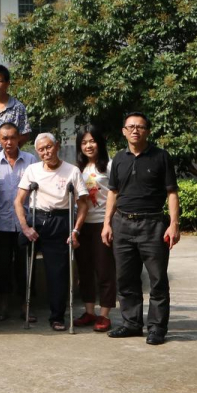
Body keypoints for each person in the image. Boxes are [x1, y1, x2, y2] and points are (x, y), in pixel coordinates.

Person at [103, 112, 180, 345]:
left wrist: (174, 224)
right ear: (124, 131)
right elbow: (113, 192)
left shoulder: (161, 157)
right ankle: (131, 323)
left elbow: (172, 192)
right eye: (130, 127)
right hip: (122, 224)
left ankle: (157, 328)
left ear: (147, 131)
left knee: (157, 280)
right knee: (125, 278)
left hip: (153, 225)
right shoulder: (118, 159)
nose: (135, 130)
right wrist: (107, 222)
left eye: (140, 127)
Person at [15, 133, 89, 331]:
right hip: (36, 219)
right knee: (21, 254)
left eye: (49, 147)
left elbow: (83, 204)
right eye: (41, 149)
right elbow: (18, 201)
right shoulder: (32, 170)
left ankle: (57, 317)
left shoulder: (72, 171)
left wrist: (75, 230)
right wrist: (25, 227)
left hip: (60, 220)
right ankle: (24, 306)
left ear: (57, 146)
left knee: (58, 272)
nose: (46, 153)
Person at [0, 122, 37, 322]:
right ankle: (2, 303)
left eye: (12, 138)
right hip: (0, 224)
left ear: (19, 139)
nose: (8, 142)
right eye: (4, 138)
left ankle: (26, 305)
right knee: (2, 266)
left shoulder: (31, 160)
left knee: (25, 266)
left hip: (25, 224)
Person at [74, 125, 116, 332]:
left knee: (105, 270)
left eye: (92, 141)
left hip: (103, 223)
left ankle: (104, 315)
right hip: (82, 225)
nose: (88, 146)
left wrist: (109, 223)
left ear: (100, 143)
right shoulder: (78, 169)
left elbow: (116, 195)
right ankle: (89, 311)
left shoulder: (109, 166)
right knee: (85, 270)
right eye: (84, 142)